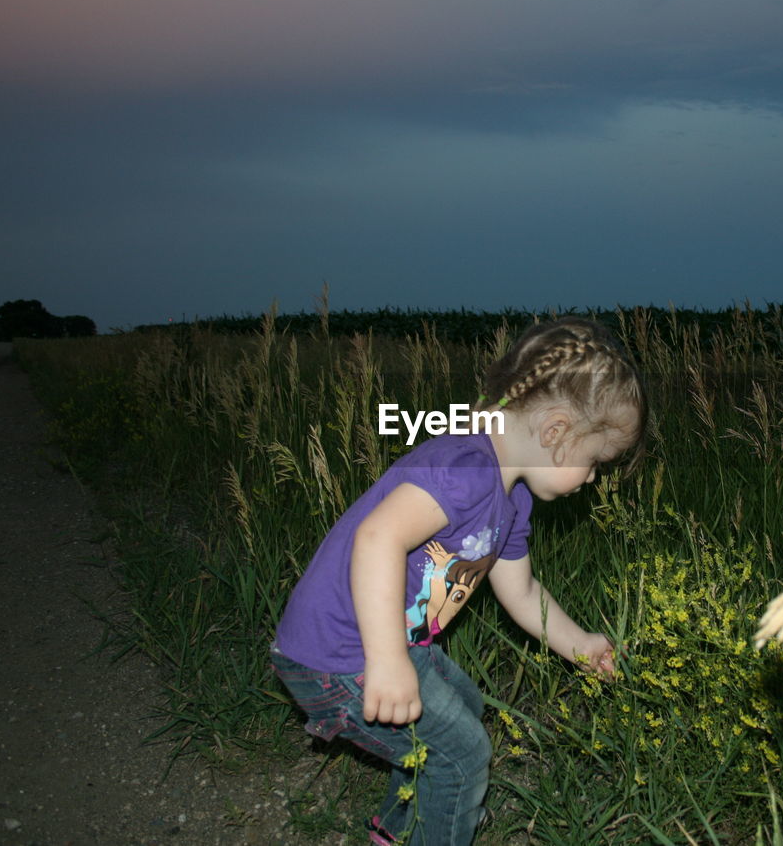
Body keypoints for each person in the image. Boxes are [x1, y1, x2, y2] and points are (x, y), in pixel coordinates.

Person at [270, 317, 648, 845]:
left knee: (464, 707)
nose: (591, 480)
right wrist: (388, 661)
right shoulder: (466, 466)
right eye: (595, 462)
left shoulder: (511, 499)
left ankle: (404, 825)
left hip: (384, 640)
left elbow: (522, 593)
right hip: (340, 651)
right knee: (463, 755)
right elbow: (378, 539)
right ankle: (446, 814)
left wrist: (582, 644)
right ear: (557, 432)